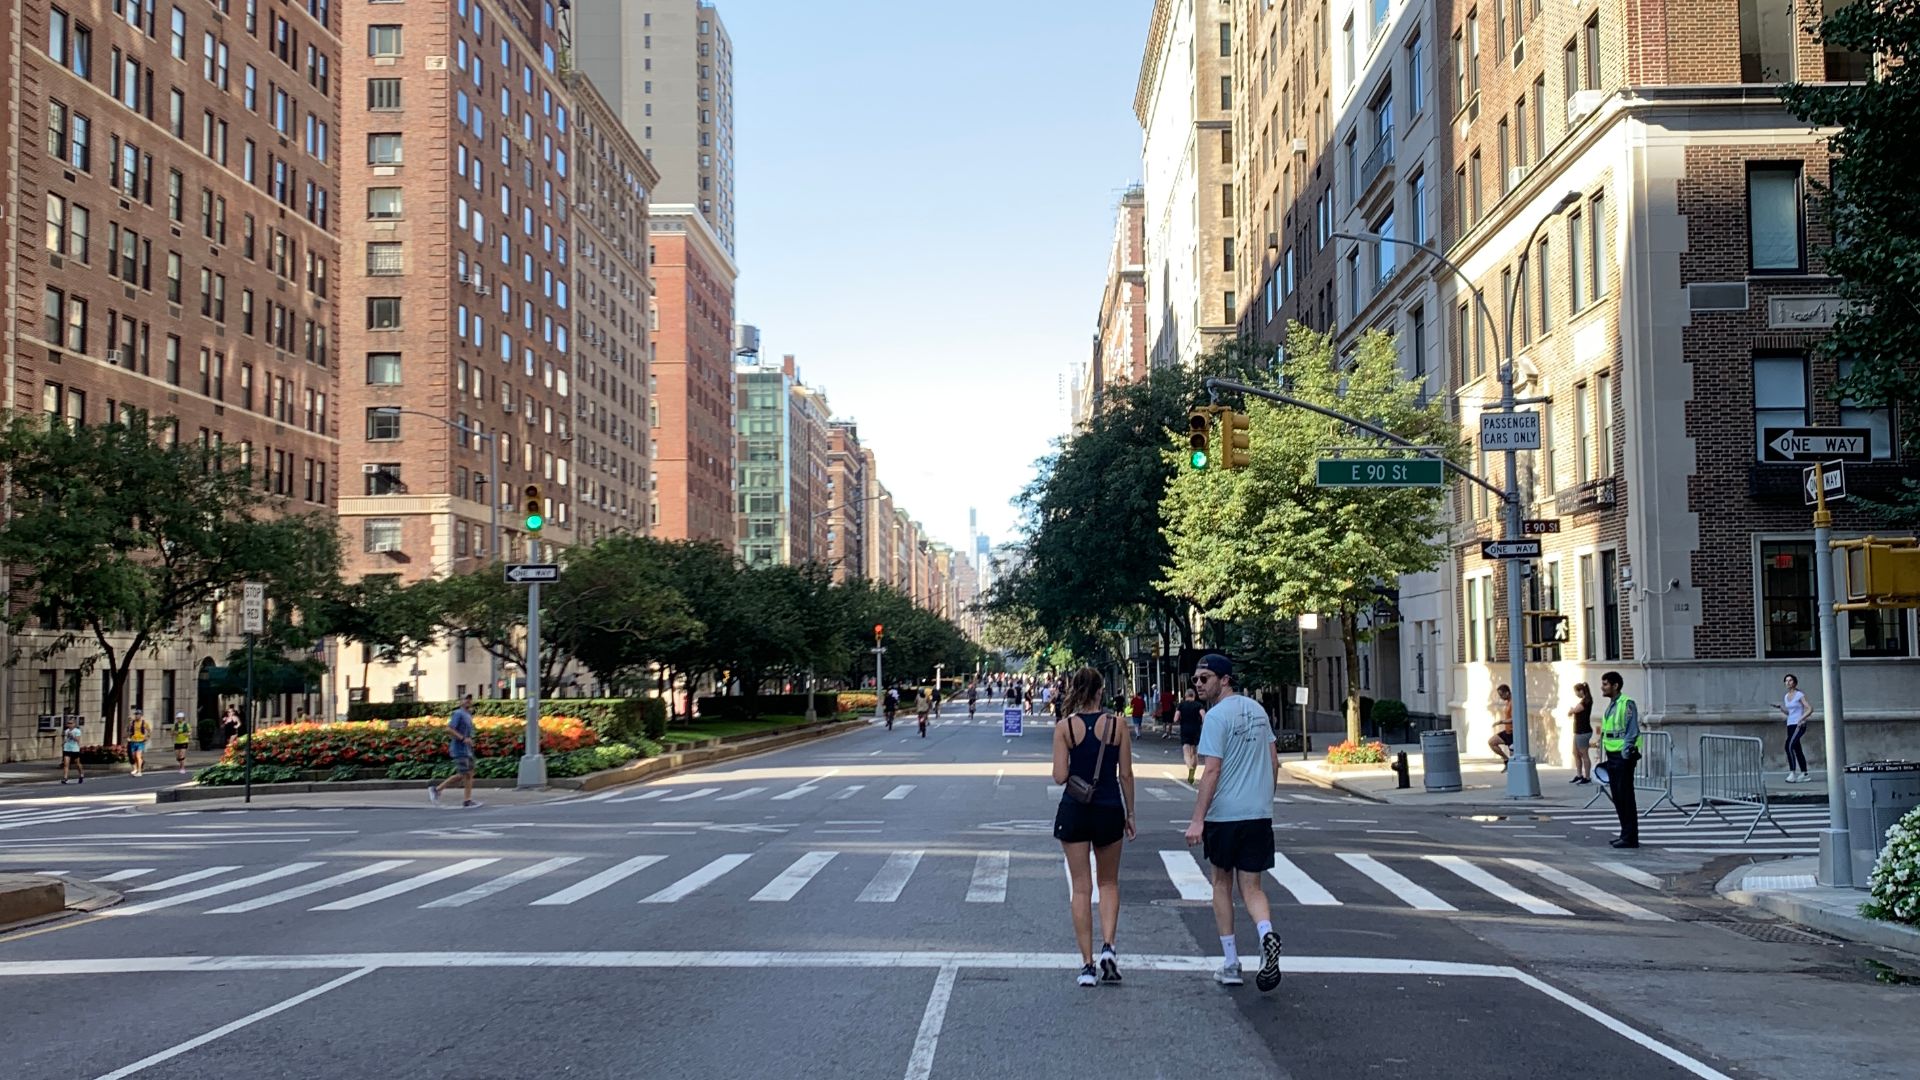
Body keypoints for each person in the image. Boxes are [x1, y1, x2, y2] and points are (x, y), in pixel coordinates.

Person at [1183, 654, 1283, 992]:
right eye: (1195, 680)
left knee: (1221, 883)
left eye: (1205, 678)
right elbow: (1274, 761)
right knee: (1253, 887)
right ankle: (1266, 934)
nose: (1198, 684)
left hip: (1224, 815)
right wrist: (1265, 799)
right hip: (1258, 814)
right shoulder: (1258, 711)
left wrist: (1198, 819)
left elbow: (1211, 770)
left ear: (1225, 679)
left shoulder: (1215, 717)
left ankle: (1231, 962)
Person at [1051, 666, 1135, 987]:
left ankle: (1087, 966)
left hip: (1074, 810)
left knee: (1081, 888)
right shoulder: (1118, 725)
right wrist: (1131, 814)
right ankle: (1109, 947)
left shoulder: (1064, 728)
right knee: (1109, 884)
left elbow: (1060, 776)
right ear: (1101, 691)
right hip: (1110, 809)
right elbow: (1125, 775)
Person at [1597, 671, 1640, 849]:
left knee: (1625, 796)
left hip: (1623, 756)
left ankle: (1630, 837)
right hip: (1612, 755)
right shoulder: (1611, 705)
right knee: (1618, 797)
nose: (1602, 687)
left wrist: (1625, 751)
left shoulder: (1626, 704)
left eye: (1606, 684)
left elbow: (1632, 730)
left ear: (1615, 686)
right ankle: (1625, 834)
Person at [427, 694, 479, 807]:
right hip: (459, 749)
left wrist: (469, 740)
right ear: (460, 701)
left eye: (469, 699)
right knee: (463, 773)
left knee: (469, 774)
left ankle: (467, 800)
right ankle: (437, 789)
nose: (468, 701)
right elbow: (449, 729)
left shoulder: (468, 715)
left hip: (467, 749)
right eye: (465, 699)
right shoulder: (458, 713)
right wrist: (463, 738)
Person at [1776, 674, 1813, 782]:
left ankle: (1792, 773)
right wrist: (1781, 708)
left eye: (1790, 680)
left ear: (1795, 682)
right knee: (1797, 749)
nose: (1788, 682)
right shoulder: (1786, 696)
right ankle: (1804, 773)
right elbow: (1790, 713)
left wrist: (1802, 719)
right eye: (1786, 681)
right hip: (1790, 725)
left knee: (1788, 746)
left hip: (1799, 725)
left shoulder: (1799, 695)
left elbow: (1810, 709)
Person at [1176, 688, 1207, 784]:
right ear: (1194, 696)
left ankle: (1190, 769)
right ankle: (1192, 772)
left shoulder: (1181, 705)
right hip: (1196, 729)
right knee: (1194, 753)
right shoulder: (1199, 705)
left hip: (1185, 729)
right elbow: (1204, 716)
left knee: (1186, 752)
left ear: (1185, 696)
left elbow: (1175, 718)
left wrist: (1180, 719)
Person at [1567, 683, 1595, 785]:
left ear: (1581, 691)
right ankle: (1579, 775)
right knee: (1575, 753)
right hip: (1578, 731)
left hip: (1583, 732)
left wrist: (1571, 710)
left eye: (1576, 691)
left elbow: (1573, 711)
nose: (1576, 694)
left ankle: (1587, 777)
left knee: (1584, 754)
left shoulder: (1585, 702)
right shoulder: (1584, 702)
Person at [1487, 685, 1515, 769]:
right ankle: (1506, 759)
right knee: (1492, 742)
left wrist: (1501, 722)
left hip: (1513, 733)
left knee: (1513, 757)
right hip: (1507, 731)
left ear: (1507, 693)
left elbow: (1514, 719)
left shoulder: (1513, 702)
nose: (1501, 697)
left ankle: (1511, 767)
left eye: (1501, 695)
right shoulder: (1508, 702)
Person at [126, 707, 149, 777]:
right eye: (135, 714)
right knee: (133, 756)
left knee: (137, 755)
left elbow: (149, 730)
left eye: (138, 714)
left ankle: (139, 771)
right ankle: (137, 767)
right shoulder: (132, 723)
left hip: (140, 741)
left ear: (141, 715)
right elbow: (129, 731)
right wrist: (128, 737)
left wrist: (147, 737)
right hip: (133, 741)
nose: (136, 716)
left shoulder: (144, 723)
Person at [60, 719, 85, 784]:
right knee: (66, 764)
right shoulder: (66, 731)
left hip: (75, 749)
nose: (69, 725)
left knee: (77, 764)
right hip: (67, 748)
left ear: (74, 724)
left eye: (71, 723)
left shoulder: (77, 731)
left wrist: (72, 736)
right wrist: (63, 743)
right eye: (68, 723)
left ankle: (81, 774)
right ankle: (65, 778)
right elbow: (66, 739)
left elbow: (77, 740)